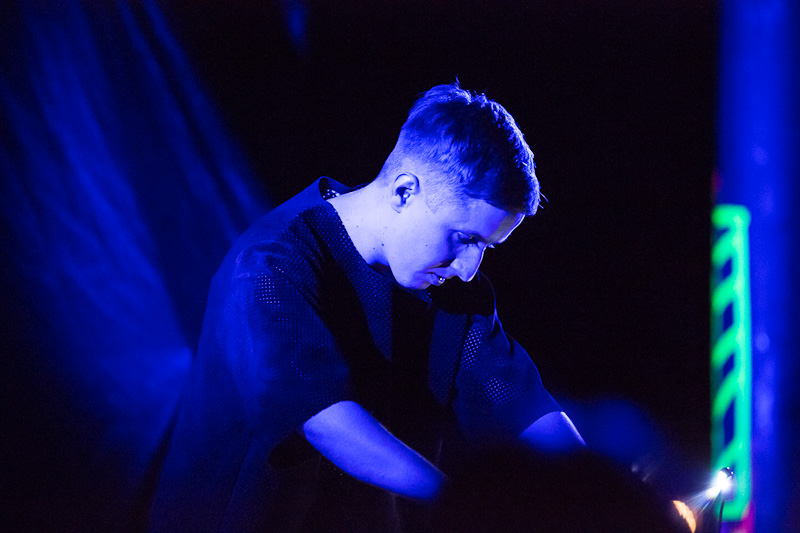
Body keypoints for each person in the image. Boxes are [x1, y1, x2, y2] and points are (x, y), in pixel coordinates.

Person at [149, 82, 584, 531]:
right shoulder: (272, 264)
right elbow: (323, 417)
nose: (469, 269)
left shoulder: (453, 290)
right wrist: (458, 503)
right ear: (404, 192)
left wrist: (596, 491)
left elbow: (517, 401)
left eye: (486, 247)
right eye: (464, 238)